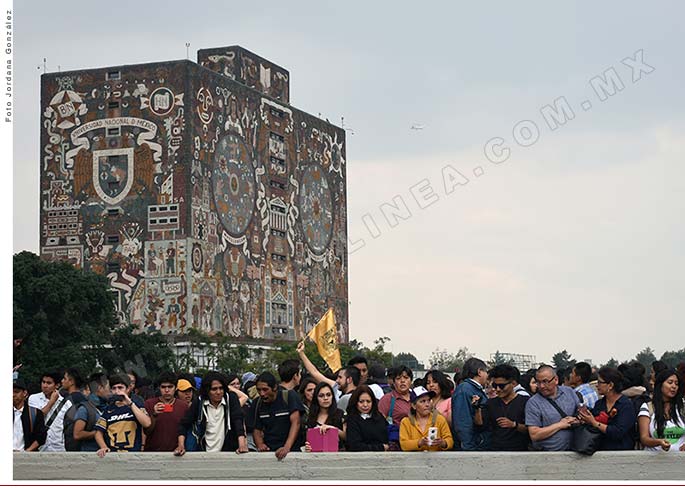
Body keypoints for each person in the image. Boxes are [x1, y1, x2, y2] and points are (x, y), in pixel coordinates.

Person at [175, 371, 247, 455]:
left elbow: (238, 420)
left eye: (221, 388)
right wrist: (181, 445)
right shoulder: (199, 402)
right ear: (207, 390)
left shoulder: (231, 399)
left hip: (227, 452)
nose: (218, 392)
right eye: (214, 389)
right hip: (204, 453)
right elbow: (184, 424)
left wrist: (241, 444)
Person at [577, 367, 636, 450]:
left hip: (621, 453)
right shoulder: (599, 404)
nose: (597, 385)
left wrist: (594, 423)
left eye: (600, 382)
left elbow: (618, 432)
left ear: (611, 385)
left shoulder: (625, 405)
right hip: (601, 452)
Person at [524, 365, 580, 451]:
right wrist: (560, 425)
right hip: (548, 456)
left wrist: (579, 419)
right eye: (538, 382)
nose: (541, 386)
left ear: (556, 380)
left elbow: (580, 412)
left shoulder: (569, 392)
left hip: (575, 452)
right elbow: (534, 435)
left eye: (545, 381)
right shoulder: (533, 403)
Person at [250, 371, 304, 460]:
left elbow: (296, 423)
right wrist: (260, 445)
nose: (262, 394)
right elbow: (256, 429)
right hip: (270, 452)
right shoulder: (257, 404)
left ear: (274, 387)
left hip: (292, 451)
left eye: (265, 389)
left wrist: (287, 447)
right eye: (259, 390)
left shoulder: (289, 396)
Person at [94, 374, 152, 457]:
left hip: (133, 454)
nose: (117, 391)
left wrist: (130, 404)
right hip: (114, 455)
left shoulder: (136, 405)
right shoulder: (108, 409)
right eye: (114, 388)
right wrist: (104, 447)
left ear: (128, 389)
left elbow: (147, 423)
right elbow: (98, 432)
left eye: (120, 387)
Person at [296, 340, 359, 408]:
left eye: (340, 377)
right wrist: (301, 353)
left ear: (349, 380)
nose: (337, 380)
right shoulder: (336, 390)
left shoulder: (362, 397)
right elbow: (314, 372)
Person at [638, 369, 685, 453]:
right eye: (670, 382)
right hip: (655, 461)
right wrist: (659, 442)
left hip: (680, 461)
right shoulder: (648, 407)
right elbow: (644, 438)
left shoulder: (682, 407)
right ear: (660, 385)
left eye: (676, 384)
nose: (674, 386)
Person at [486, 364, 529, 451]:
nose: (497, 389)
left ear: (513, 383)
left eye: (502, 386)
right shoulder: (490, 403)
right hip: (495, 452)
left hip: (519, 452)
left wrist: (514, 425)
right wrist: (476, 409)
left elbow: (531, 429)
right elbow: (482, 426)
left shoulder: (526, 402)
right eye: (494, 385)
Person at [144, 371, 189, 452]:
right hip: (152, 453)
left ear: (175, 388)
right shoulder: (149, 404)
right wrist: (154, 414)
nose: (167, 390)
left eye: (170, 387)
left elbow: (186, 431)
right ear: (159, 388)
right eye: (163, 387)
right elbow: (146, 431)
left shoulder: (184, 406)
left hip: (176, 453)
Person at [452, 357, 491, 450]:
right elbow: (463, 422)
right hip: (472, 446)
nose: (487, 376)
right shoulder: (464, 390)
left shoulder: (475, 389)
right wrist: (469, 447)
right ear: (479, 371)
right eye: (486, 372)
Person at [399, 386, 453, 452]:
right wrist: (419, 442)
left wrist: (443, 443)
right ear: (414, 406)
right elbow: (404, 445)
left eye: (429, 400)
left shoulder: (440, 419)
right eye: (422, 401)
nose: (427, 404)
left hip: (436, 460)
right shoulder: (406, 422)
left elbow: (450, 441)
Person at [28, 371, 71, 452]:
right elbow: (36, 418)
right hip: (39, 447)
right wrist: (51, 402)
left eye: (49, 383)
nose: (45, 385)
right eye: (43, 382)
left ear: (57, 385)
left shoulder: (66, 404)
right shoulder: (33, 398)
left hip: (58, 448)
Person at [61, 368, 99, 452]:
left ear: (71, 382)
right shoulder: (85, 400)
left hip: (71, 443)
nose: (62, 381)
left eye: (64, 378)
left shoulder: (70, 401)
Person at [378, 365, 414, 450]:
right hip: (396, 442)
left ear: (411, 381)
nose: (402, 381)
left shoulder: (417, 398)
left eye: (406, 378)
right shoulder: (387, 399)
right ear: (393, 382)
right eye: (398, 378)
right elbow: (379, 422)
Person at [345, 385, 389, 451]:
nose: (365, 405)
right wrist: (380, 447)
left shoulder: (379, 417)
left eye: (368, 401)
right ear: (355, 402)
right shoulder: (352, 420)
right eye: (361, 402)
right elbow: (355, 445)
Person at [304, 382, 346, 451]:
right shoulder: (311, 416)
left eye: (328, 395)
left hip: (337, 456)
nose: (325, 398)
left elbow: (347, 437)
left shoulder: (340, 414)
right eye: (321, 395)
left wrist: (332, 429)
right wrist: (308, 447)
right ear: (316, 398)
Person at [13, 378, 47, 451]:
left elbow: (41, 437)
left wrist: (27, 452)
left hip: (27, 457)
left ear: (24, 393)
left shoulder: (35, 413)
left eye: (16, 392)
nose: (13, 395)